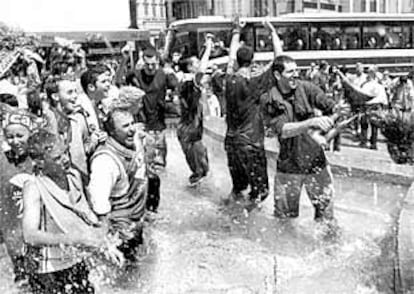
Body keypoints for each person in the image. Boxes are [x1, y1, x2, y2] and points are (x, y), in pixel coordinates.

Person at [22, 130, 123, 294]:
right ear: (39, 162)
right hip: (47, 271)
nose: (65, 160)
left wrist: (105, 244)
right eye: (57, 158)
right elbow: (30, 235)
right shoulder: (34, 187)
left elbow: (88, 216)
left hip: (74, 262)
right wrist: (73, 239)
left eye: (65, 153)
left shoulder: (73, 176)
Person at [214, 19, 282, 207]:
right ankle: (248, 228)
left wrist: (236, 31)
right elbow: (279, 60)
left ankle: (228, 217)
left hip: (231, 143)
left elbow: (229, 60)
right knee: (261, 192)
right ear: (252, 61)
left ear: (238, 61)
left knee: (239, 188)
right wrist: (273, 33)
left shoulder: (228, 80)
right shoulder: (254, 82)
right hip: (250, 144)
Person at [267, 55, 337, 223]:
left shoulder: (306, 88)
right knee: (283, 222)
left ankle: (329, 249)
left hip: (316, 164)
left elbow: (332, 108)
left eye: (297, 70)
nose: (296, 74)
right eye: (290, 71)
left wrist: (324, 133)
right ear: (277, 75)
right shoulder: (269, 98)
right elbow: (283, 130)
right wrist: (311, 123)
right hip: (288, 168)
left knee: (326, 216)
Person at [88, 97, 148, 262]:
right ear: (112, 132)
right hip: (119, 233)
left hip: (134, 223)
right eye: (125, 126)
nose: (131, 130)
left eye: (131, 124)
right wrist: (107, 242)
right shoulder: (105, 162)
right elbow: (98, 204)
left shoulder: (131, 141)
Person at [125, 46, 179, 212]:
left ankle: (158, 202)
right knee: (147, 168)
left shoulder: (163, 75)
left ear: (157, 62)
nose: (150, 68)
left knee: (160, 165)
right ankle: (148, 205)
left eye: (153, 64)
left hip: (160, 127)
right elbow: (120, 80)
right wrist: (125, 58)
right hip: (143, 127)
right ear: (143, 62)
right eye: (147, 64)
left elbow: (176, 88)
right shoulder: (136, 74)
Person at [0, 105, 43, 286]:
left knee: (40, 273)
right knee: (22, 277)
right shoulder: (3, 160)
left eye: (20, 136)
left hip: (37, 229)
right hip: (12, 228)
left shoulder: (39, 159)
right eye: (10, 137)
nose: (15, 141)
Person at [44, 76, 106, 180]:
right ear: (55, 96)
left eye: (75, 91)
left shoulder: (76, 116)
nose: (75, 96)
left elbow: (83, 148)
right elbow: (75, 157)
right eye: (70, 92)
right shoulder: (51, 121)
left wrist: (96, 139)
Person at [176, 35, 212, 185]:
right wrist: (209, 46)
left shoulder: (184, 82)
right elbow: (202, 68)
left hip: (188, 130)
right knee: (201, 171)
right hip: (190, 132)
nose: (199, 64)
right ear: (190, 68)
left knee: (201, 169)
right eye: (195, 63)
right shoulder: (191, 83)